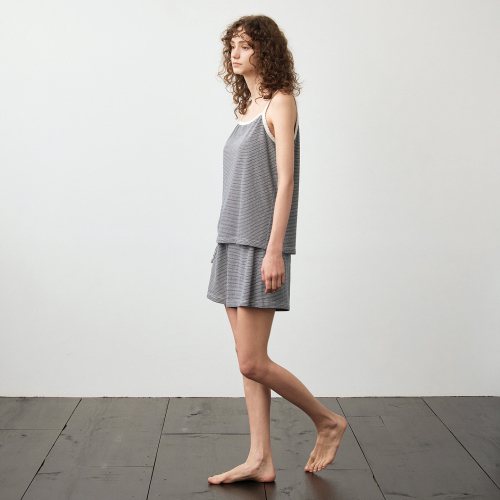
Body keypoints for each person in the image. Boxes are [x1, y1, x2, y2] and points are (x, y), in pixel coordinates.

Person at [207, 15, 347, 484]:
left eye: (246, 46)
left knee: (253, 360)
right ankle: (260, 459)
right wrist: (225, 243)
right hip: (232, 241)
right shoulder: (247, 108)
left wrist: (274, 251)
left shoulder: (281, 102)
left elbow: (286, 183)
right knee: (246, 361)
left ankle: (327, 421)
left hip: (260, 245)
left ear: (265, 51)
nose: (236, 53)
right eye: (232, 45)